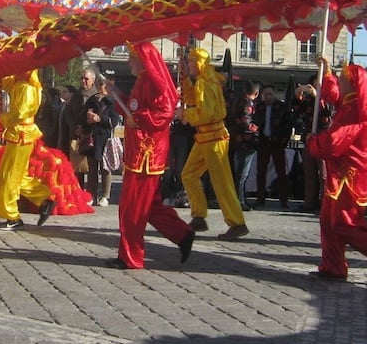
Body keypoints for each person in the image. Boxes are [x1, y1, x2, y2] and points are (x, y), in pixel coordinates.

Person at [306, 59, 367, 282]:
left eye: (342, 79)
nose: (339, 83)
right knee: (328, 220)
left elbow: (334, 143)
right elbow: (335, 96)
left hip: (348, 176)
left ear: (352, 84)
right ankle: (333, 267)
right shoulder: (352, 103)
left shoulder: (355, 111)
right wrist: (327, 74)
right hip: (343, 173)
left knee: (344, 223)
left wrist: (313, 141)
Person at [107, 41, 194, 269]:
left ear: (143, 60)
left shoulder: (154, 81)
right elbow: (133, 108)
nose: (128, 61)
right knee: (149, 206)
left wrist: (138, 117)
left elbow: (165, 110)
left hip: (146, 155)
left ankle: (131, 257)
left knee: (133, 208)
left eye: (132, 57)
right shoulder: (144, 80)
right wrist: (116, 95)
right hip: (140, 153)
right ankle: (182, 234)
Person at [179, 47, 249, 240]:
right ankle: (199, 216)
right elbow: (191, 98)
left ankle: (237, 223)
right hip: (205, 138)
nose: (189, 64)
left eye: (191, 61)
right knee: (189, 174)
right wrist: (184, 77)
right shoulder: (203, 80)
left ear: (199, 63)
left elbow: (205, 114)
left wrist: (185, 114)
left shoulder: (206, 83)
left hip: (214, 138)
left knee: (221, 182)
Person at [0, 68, 56, 230]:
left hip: (21, 135)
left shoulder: (27, 88)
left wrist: (0, 117)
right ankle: (44, 199)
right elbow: (8, 83)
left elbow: (19, 114)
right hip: (18, 135)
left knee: (8, 177)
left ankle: (13, 216)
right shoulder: (19, 83)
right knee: (17, 176)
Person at [291, 75, 333, 214]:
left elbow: (329, 113)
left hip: (324, 139)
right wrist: (297, 97)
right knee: (309, 172)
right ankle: (309, 202)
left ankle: (325, 203)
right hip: (309, 138)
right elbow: (298, 110)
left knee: (323, 174)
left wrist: (318, 97)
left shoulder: (330, 98)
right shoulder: (309, 100)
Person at [253, 83, 293, 208]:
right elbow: (254, 122)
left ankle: (284, 199)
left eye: (270, 94)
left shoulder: (282, 107)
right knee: (261, 172)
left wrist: (283, 142)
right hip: (263, 142)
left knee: (281, 172)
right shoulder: (259, 107)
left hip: (277, 143)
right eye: (266, 94)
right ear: (262, 95)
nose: (268, 97)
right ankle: (260, 199)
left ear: (274, 94)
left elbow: (288, 126)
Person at [84, 76, 117, 207]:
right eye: (98, 83)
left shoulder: (112, 101)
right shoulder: (92, 100)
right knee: (92, 169)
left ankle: (105, 195)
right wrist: (87, 120)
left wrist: (99, 119)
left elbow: (114, 121)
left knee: (105, 168)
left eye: (102, 84)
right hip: (92, 137)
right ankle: (91, 194)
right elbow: (83, 115)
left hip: (105, 138)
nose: (99, 86)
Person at [229, 81, 261, 212]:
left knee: (239, 172)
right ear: (256, 93)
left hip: (237, 139)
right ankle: (240, 201)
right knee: (242, 173)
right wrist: (257, 130)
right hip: (247, 142)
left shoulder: (237, 101)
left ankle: (237, 199)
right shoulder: (248, 104)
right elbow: (247, 123)